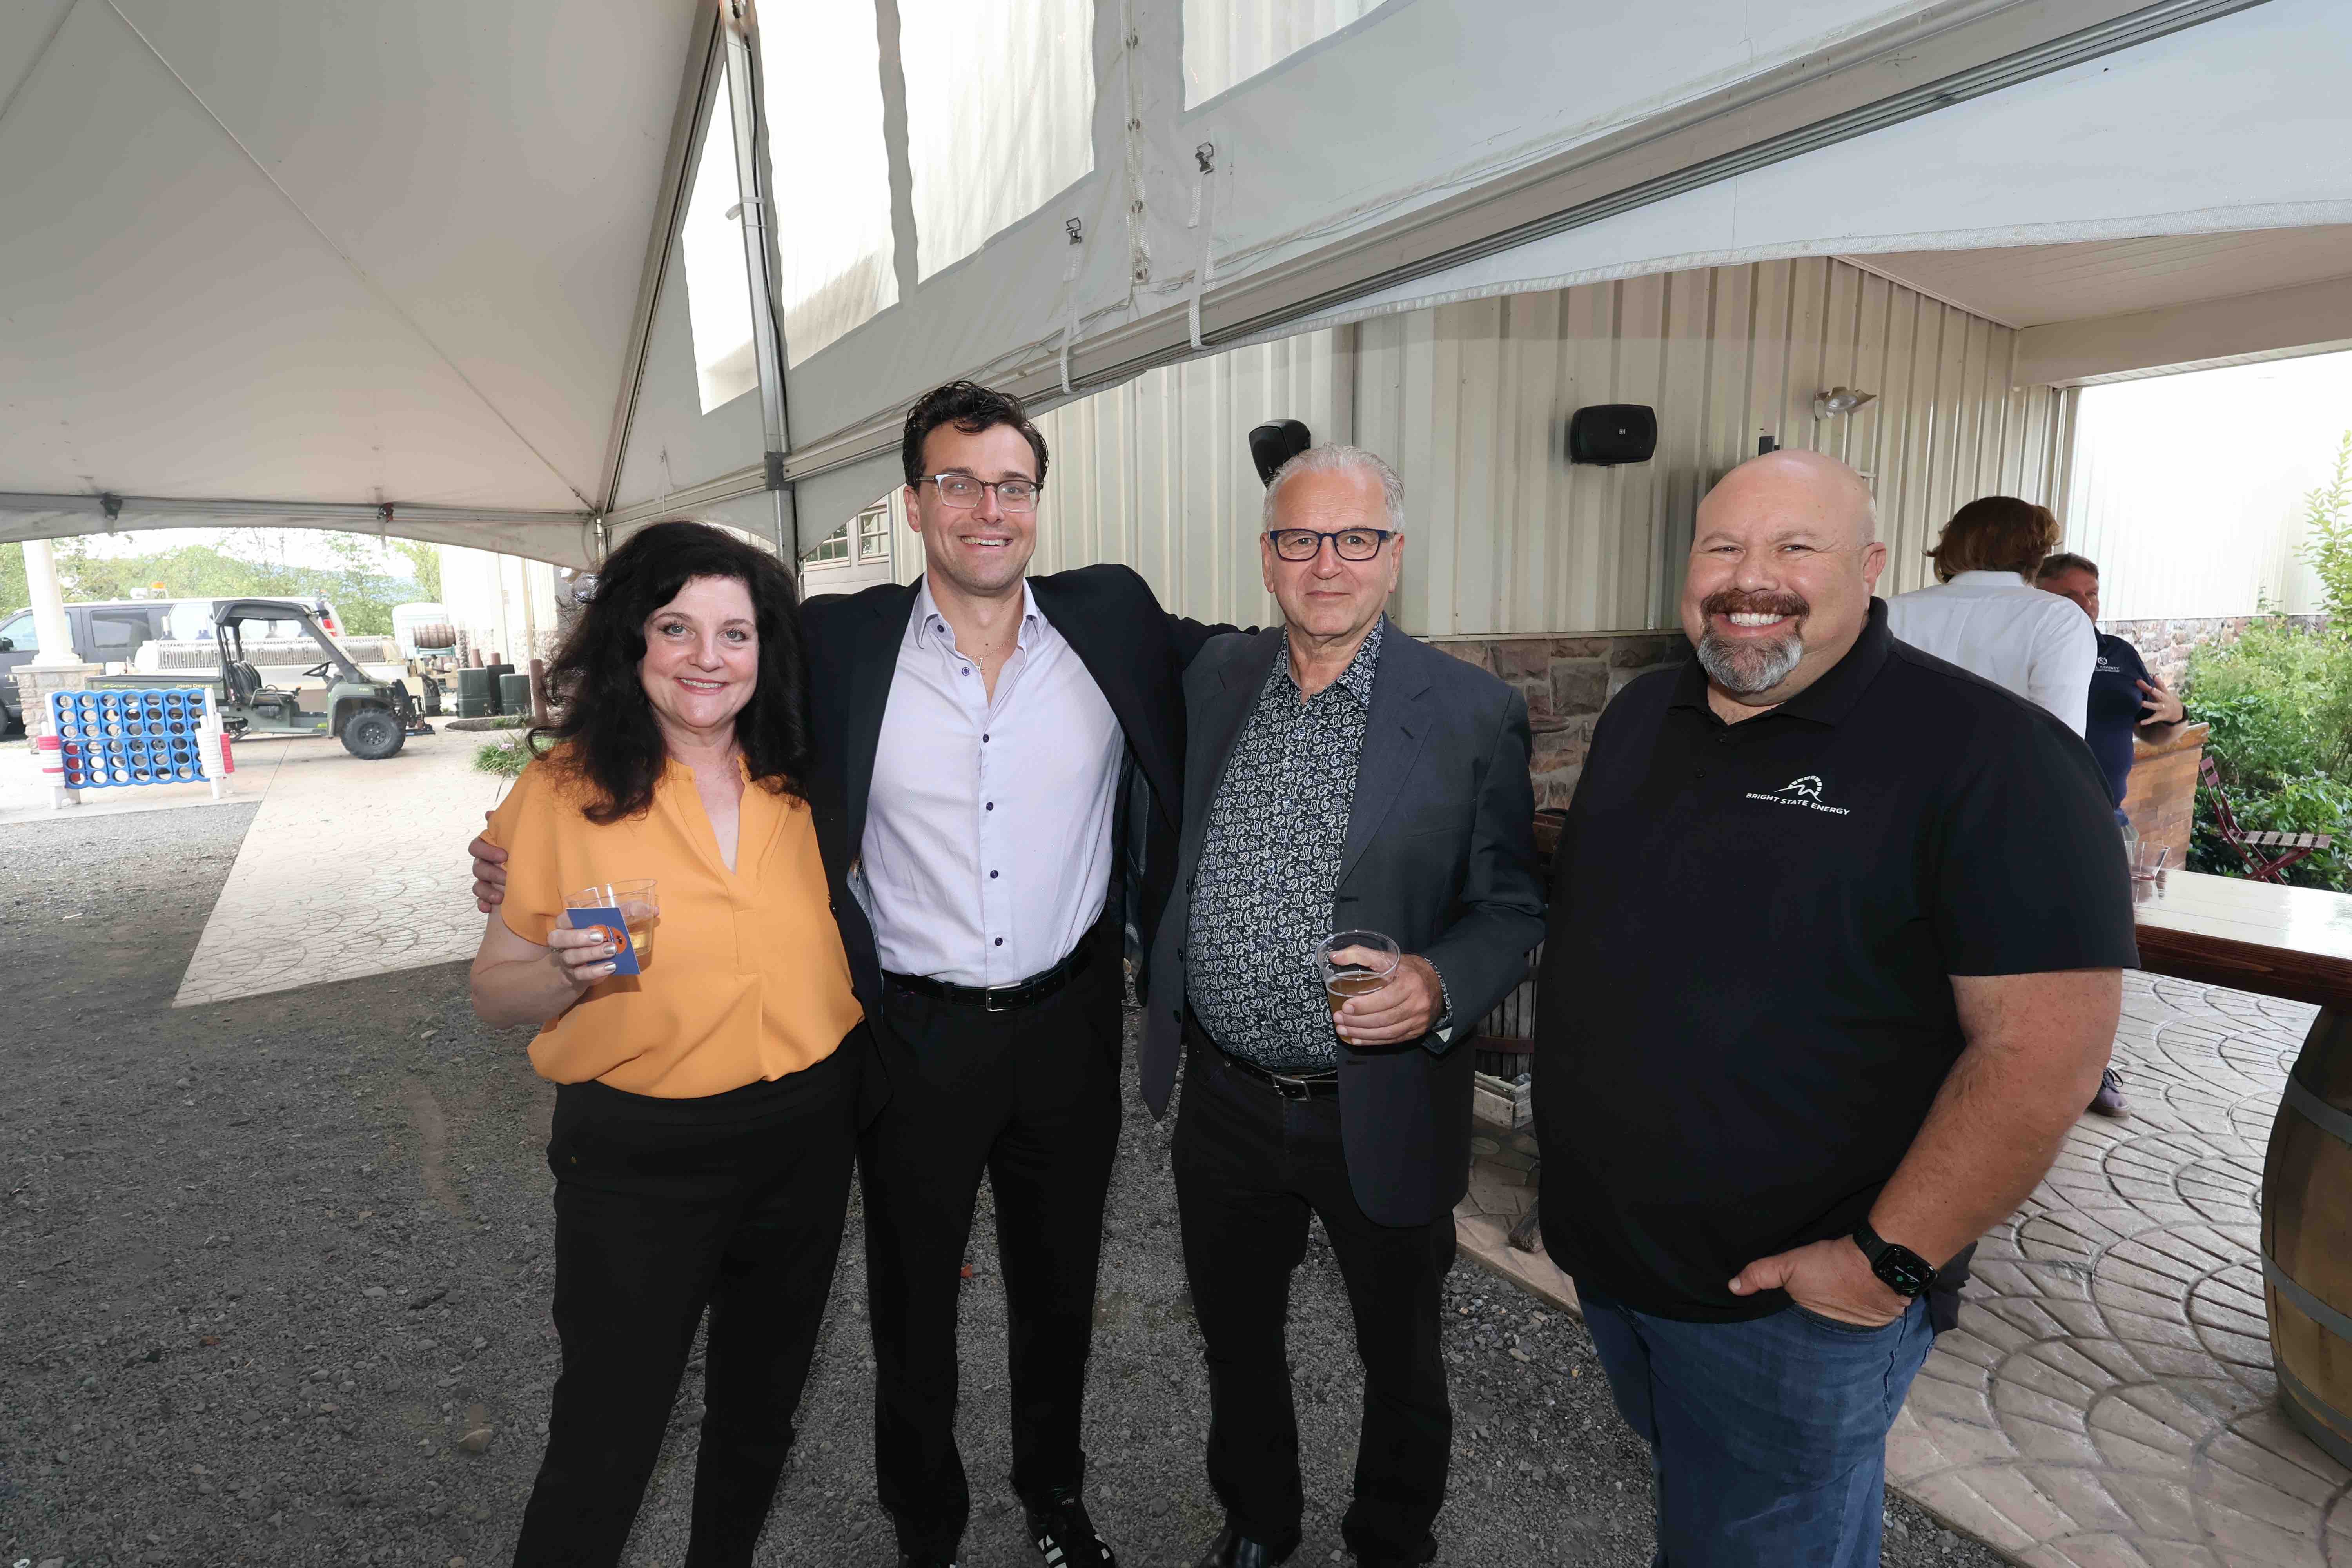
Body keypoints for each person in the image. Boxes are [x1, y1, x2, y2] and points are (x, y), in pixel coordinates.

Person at [475, 380, 1232, 1568]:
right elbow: (684, 704)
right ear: (914, 501)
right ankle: (925, 1524)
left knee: (1059, 1286)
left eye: (1013, 484)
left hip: (1069, 1022)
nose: (988, 508)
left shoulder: (1112, 617)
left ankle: (1053, 1495)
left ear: (1038, 499)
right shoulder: (839, 643)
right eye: (957, 482)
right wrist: (523, 847)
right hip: (910, 1033)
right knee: (909, 1298)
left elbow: (1244, 669)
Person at [1535, 450, 2137, 1567]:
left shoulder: (1998, 758)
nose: (1748, 578)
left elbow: (2042, 1058)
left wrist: (1885, 1264)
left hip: (1792, 1309)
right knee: (1711, 1511)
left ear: (1870, 569)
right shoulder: (1643, 713)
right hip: (1614, 1263)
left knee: (1763, 1540)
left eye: (1794, 547)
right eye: (1722, 547)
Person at [1142, 446, 1546, 1568]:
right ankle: (1258, 1523)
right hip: (1226, 1098)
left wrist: (1439, 983)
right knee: (1236, 1338)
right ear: (1267, 556)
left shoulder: (1469, 712)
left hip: (1383, 1099)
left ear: (1395, 555)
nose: (1328, 564)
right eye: (1300, 539)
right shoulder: (1218, 679)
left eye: (1355, 538)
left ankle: (1390, 1540)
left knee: (1400, 1355)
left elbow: (1512, 906)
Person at [468, 521, 866, 1568]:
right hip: (638, 1156)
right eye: (676, 627)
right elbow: (493, 988)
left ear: (766, 650)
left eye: (735, 633)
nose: (706, 658)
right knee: (608, 1429)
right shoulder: (565, 792)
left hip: (805, 1131)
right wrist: (565, 972)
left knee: (761, 1409)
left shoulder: (804, 773)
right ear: (630, 640)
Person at [2036, 550, 2185, 1119]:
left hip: (2106, 821)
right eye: (2069, 595)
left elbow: (2155, 732)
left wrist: (2175, 714)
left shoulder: (2119, 655)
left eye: (2092, 594)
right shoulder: (2034, 642)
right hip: (2034, 820)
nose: (2085, 605)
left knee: (2100, 950)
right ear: (2038, 593)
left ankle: (2092, 1066)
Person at [1884, 495, 2096, 735]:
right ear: (2036, 552)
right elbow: (2061, 739)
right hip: (2009, 759)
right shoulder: (2059, 617)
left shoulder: (1893, 610)